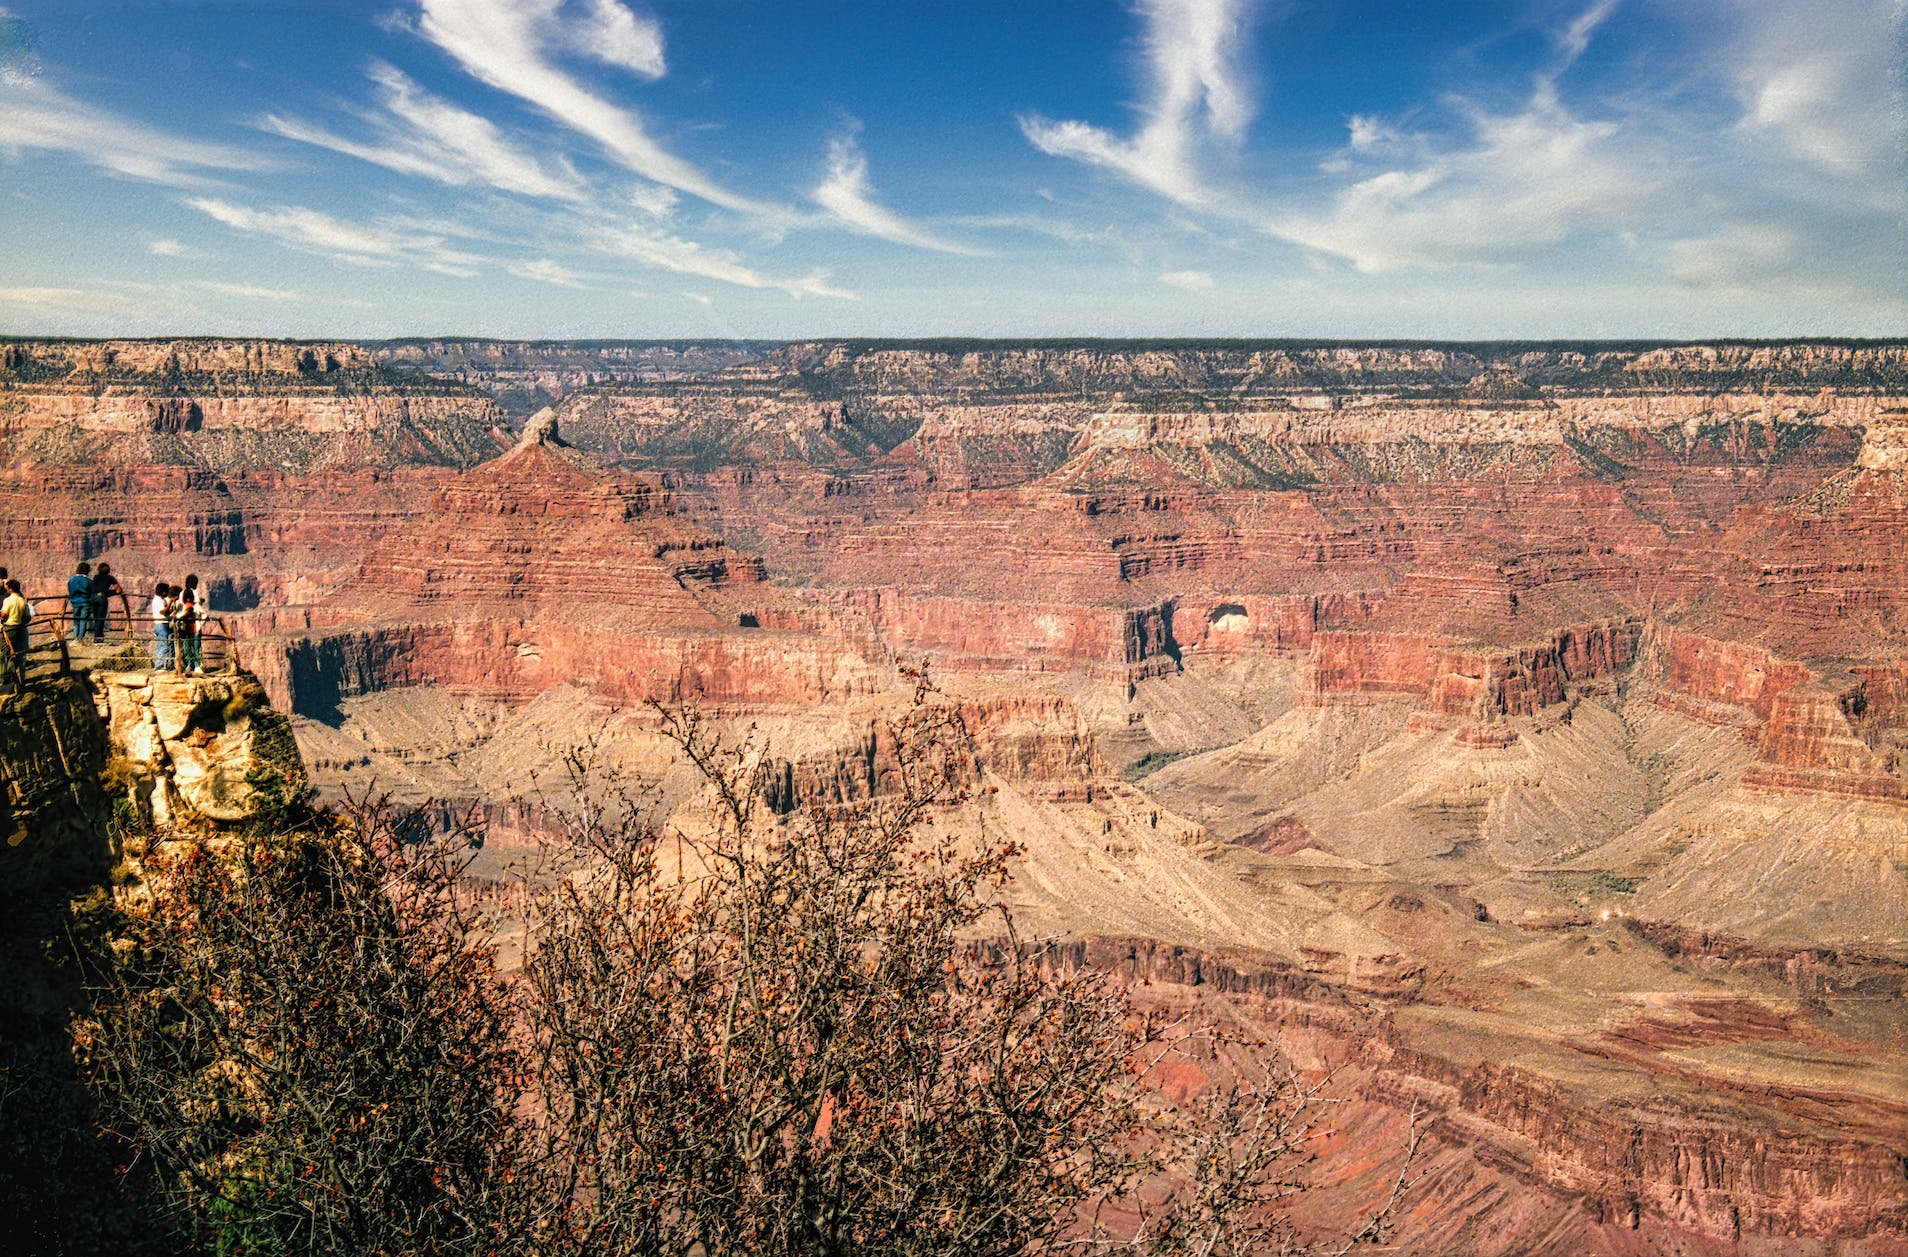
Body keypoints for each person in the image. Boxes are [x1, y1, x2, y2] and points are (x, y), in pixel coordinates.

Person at [2, 578, 32, 692]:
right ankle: (21, 683)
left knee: (7, 655)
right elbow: (27, 617)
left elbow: (4, 614)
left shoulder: (8, 600)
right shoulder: (22, 601)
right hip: (22, 629)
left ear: (10, 589)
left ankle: (8, 684)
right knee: (21, 655)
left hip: (10, 629)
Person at [89, 562, 120, 642]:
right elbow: (119, 590)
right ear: (108, 570)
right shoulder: (110, 578)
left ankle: (97, 637)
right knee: (101, 618)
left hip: (93, 597)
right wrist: (108, 593)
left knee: (96, 618)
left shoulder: (95, 577)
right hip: (102, 599)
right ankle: (98, 639)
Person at [175, 589, 202, 674]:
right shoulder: (182, 607)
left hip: (195, 630)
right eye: (186, 598)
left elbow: (204, 615)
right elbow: (178, 616)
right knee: (187, 649)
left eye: (190, 598)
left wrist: (200, 624)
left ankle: (197, 666)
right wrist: (185, 614)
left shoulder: (196, 606)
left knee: (196, 648)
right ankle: (189, 665)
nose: (188, 600)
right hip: (186, 630)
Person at [150, 583, 174, 672]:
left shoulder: (162, 600)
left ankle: (165, 665)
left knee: (166, 645)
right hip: (161, 624)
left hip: (164, 624)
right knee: (163, 645)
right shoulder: (157, 600)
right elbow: (162, 612)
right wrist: (171, 602)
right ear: (163, 592)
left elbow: (166, 611)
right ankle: (159, 666)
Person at [67, 561, 92, 641]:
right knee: (83, 621)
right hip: (85, 602)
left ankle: (75, 638)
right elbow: (92, 591)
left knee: (76, 621)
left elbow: (70, 591)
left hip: (75, 603)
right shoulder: (88, 581)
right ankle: (80, 638)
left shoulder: (71, 580)